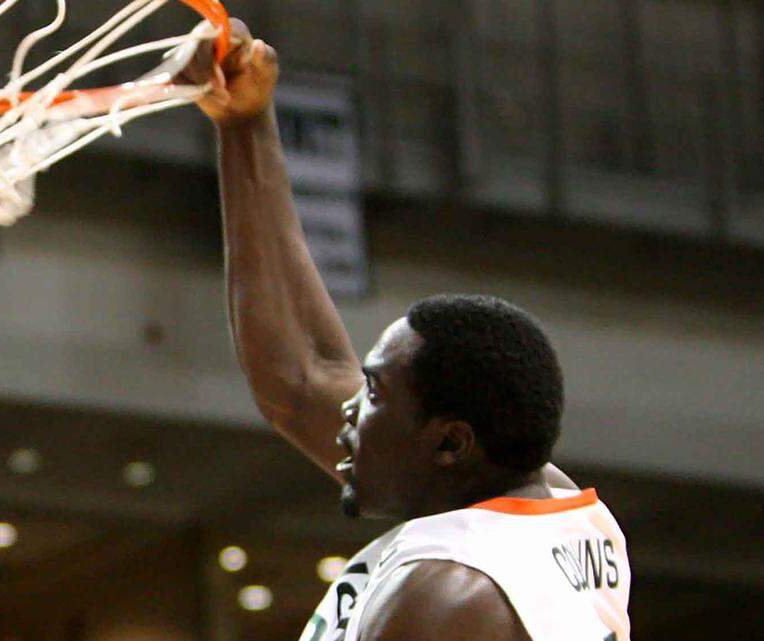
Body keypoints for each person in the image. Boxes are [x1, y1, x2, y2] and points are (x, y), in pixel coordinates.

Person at [189, 19, 632, 641]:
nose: (346, 408)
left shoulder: (443, 594)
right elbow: (301, 377)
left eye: (372, 395)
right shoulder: (541, 504)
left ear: (449, 443)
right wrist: (244, 124)